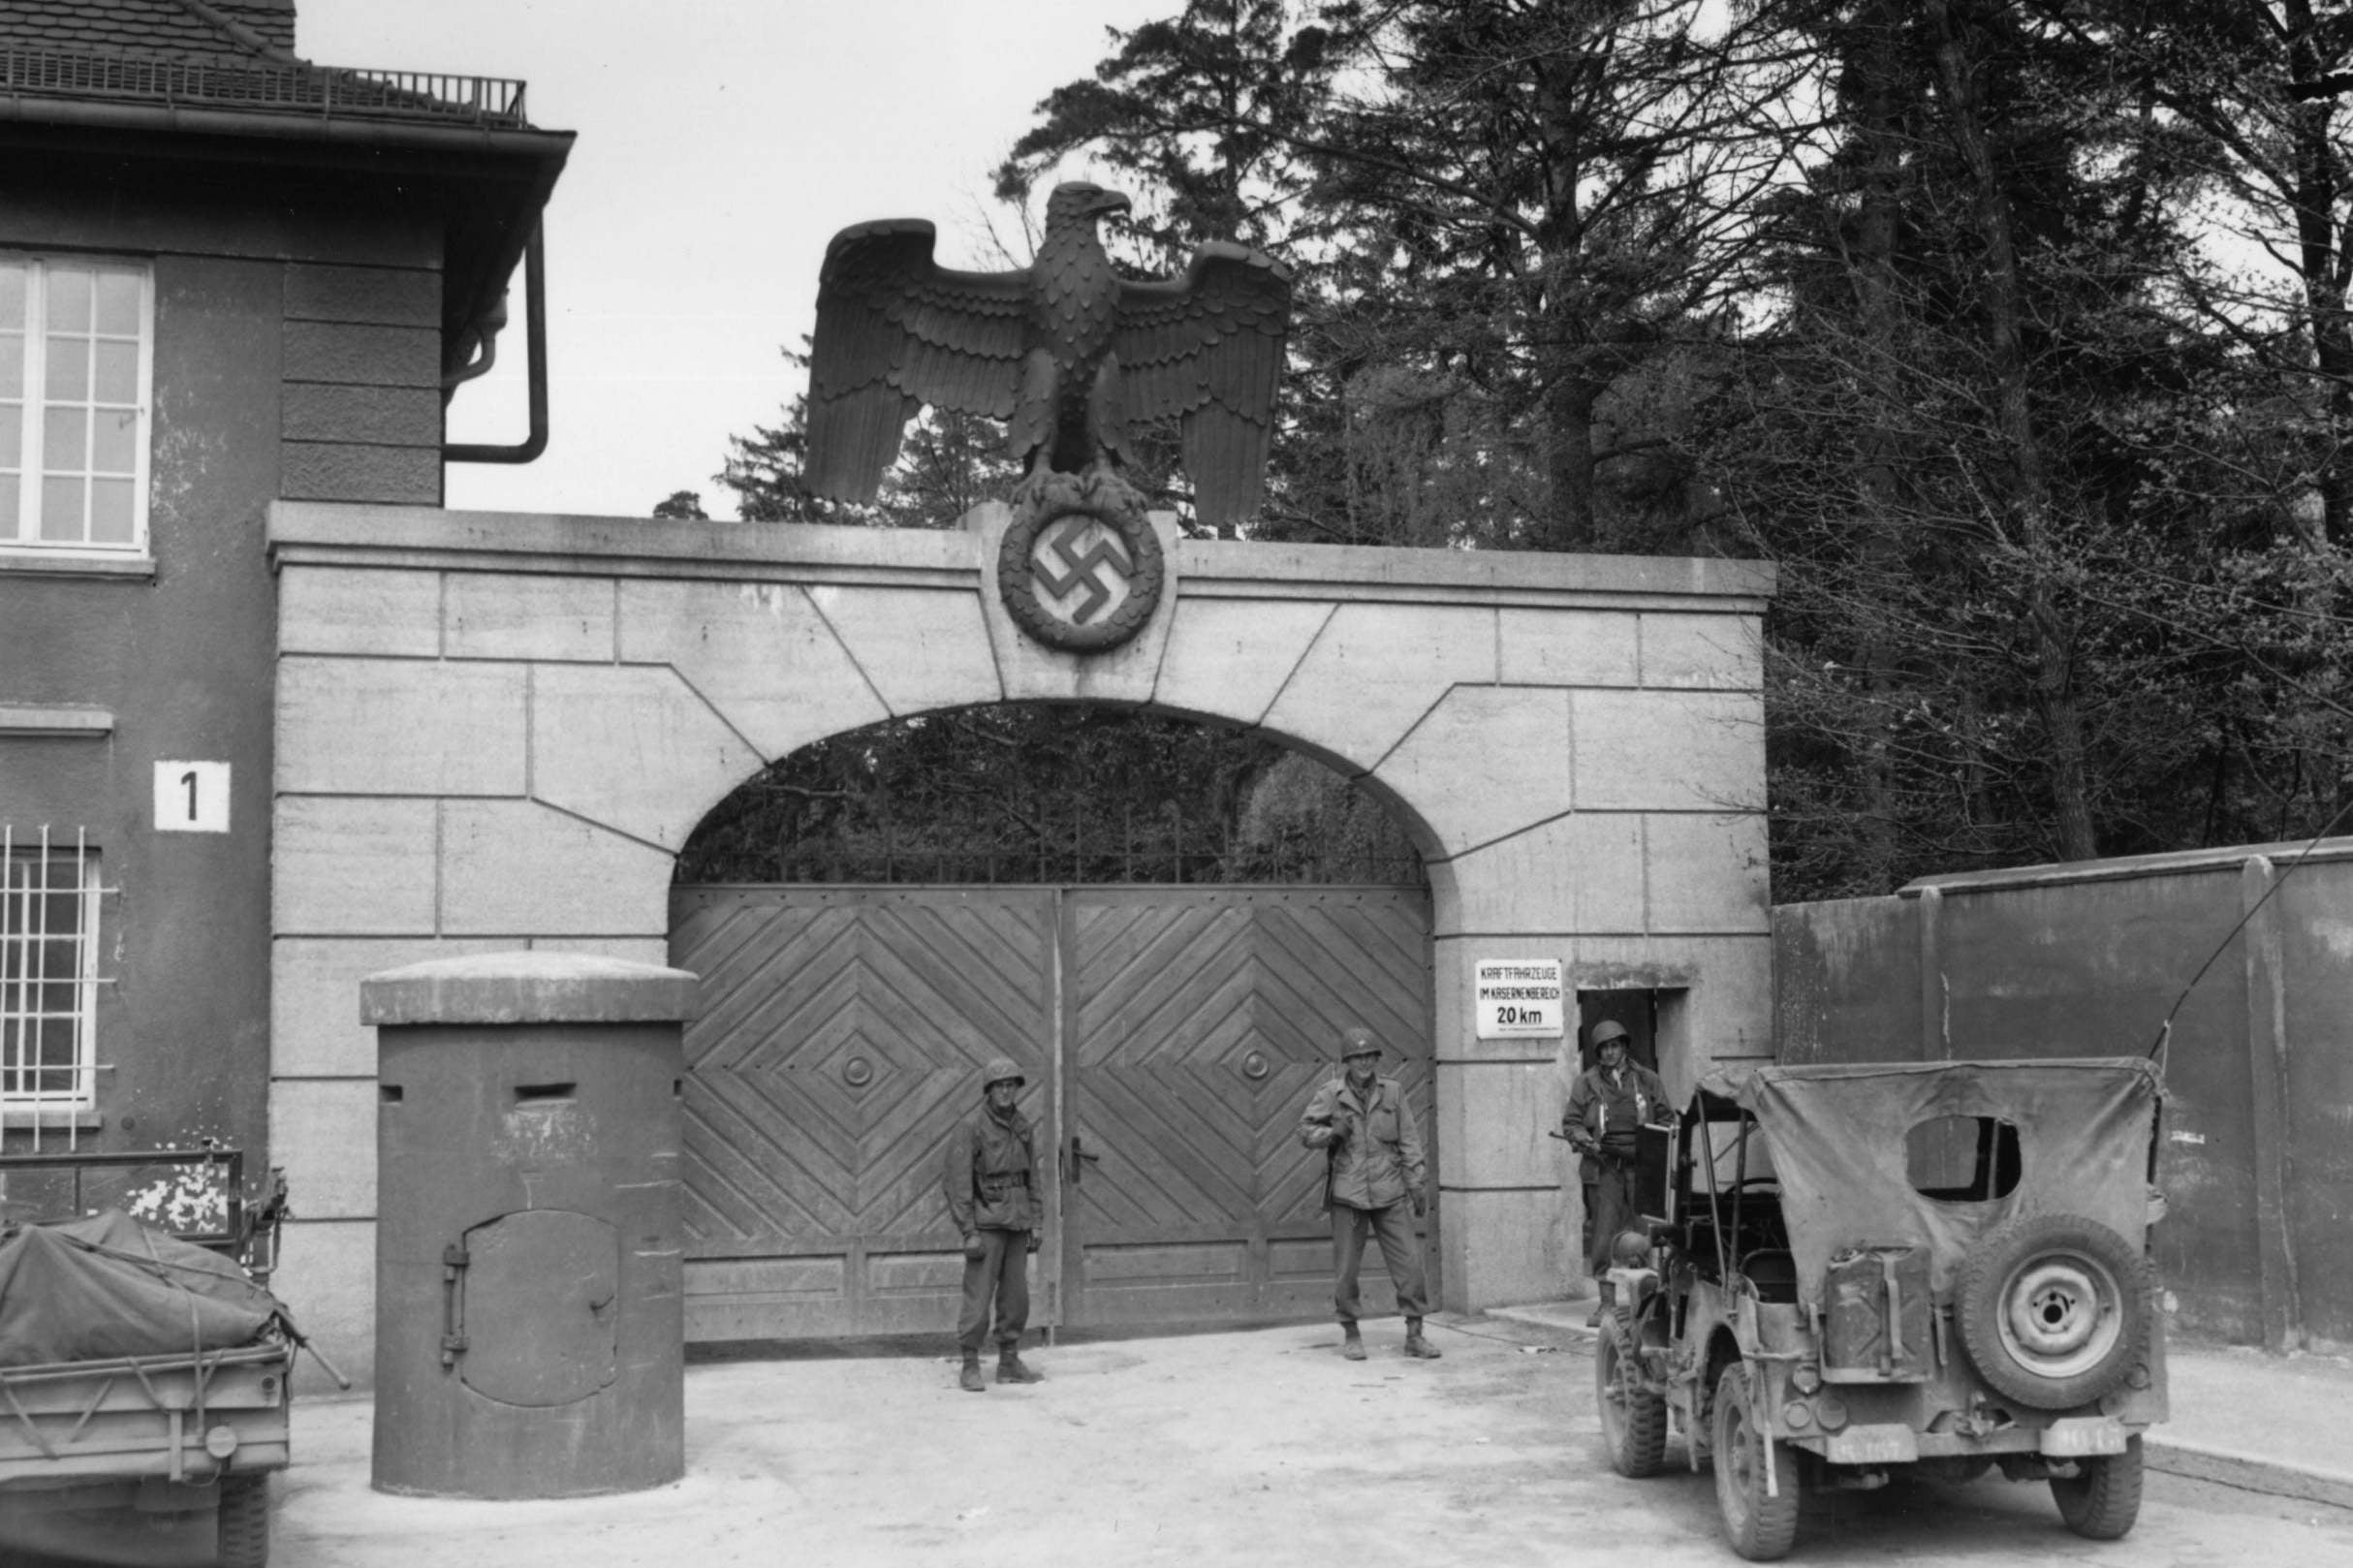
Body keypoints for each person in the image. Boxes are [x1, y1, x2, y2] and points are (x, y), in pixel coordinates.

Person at [1297, 1026, 1440, 1361]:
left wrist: (1416, 1184)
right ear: (1347, 1061)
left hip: (1390, 1192)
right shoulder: (1331, 1093)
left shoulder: (1393, 1092)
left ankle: (1415, 1334)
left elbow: (1409, 1140)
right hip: (1349, 1195)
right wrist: (1332, 1132)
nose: (1363, 1063)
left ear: (1376, 1059)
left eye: (1368, 1056)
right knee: (1346, 1270)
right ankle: (1351, 1332)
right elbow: (1304, 1132)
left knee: (1411, 1266)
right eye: (1356, 1057)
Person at [943, 1054, 1045, 1392]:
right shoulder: (971, 1128)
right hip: (986, 1225)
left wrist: (1037, 1223)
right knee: (978, 1297)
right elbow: (958, 1183)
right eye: (999, 1085)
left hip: (1017, 1224)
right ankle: (970, 1363)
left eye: (1010, 1085)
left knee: (1016, 1297)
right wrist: (968, 1230)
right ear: (988, 1090)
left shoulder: (1023, 1126)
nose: (1005, 1091)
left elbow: (1033, 1178)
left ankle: (1009, 1361)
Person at [1561, 1019, 1669, 1326]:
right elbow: (1572, 1122)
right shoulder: (1587, 1083)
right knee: (1604, 1234)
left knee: (1645, 1234)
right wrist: (1584, 1139)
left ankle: (1646, 1305)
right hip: (1604, 1168)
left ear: (1624, 1047)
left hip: (1642, 1166)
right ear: (1598, 1052)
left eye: (1615, 1046)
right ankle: (1606, 1304)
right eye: (1604, 1048)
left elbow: (1666, 1118)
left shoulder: (1647, 1080)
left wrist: (1653, 1148)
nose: (1610, 1053)